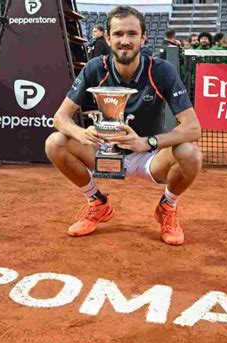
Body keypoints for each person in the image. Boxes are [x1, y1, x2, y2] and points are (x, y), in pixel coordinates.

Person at [45, 6, 202, 246]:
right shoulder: (95, 68)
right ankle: (97, 203)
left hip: (149, 157)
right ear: (108, 38)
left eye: (132, 34)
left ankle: (167, 208)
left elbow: (193, 128)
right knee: (55, 142)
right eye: (118, 34)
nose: (125, 41)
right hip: (104, 153)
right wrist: (81, 133)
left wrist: (146, 142)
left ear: (143, 38)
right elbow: (60, 118)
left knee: (190, 153)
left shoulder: (161, 71)